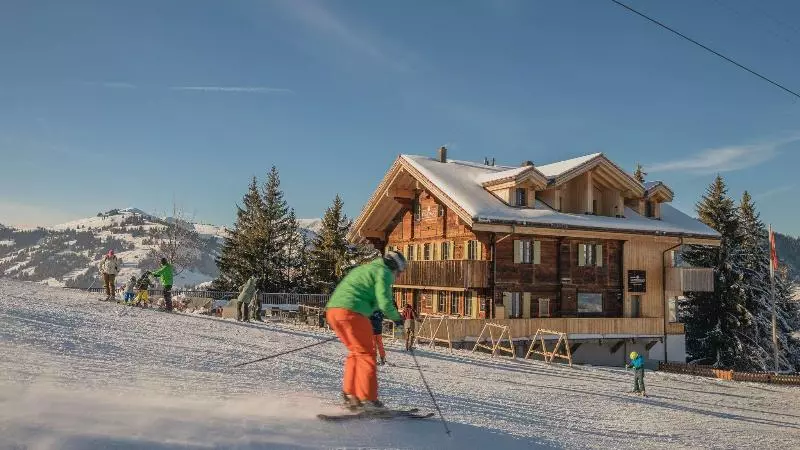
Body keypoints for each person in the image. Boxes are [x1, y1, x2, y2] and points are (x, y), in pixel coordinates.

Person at [325, 251, 406, 411]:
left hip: (334, 311)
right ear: (395, 267)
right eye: (400, 272)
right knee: (367, 354)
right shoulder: (384, 273)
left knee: (356, 353)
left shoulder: (365, 269)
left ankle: (350, 395)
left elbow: (367, 297)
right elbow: (384, 301)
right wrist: (397, 319)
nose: (399, 276)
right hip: (353, 312)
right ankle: (368, 399)